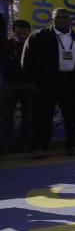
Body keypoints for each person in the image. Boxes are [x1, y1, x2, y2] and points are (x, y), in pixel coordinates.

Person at [22, 8, 75, 157]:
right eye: (58, 17)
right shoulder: (39, 36)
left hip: (71, 83)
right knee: (42, 116)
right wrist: (29, 81)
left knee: (72, 116)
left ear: (70, 20)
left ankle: (72, 145)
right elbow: (27, 60)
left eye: (65, 17)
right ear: (52, 20)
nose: (62, 19)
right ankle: (39, 147)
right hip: (46, 82)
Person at [1, 19, 35, 153]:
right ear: (14, 30)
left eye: (25, 34)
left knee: (28, 117)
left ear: (29, 32)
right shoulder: (6, 44)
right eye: (19, 33)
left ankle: (25, 143)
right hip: (9, 84)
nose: (22, 36)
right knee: (6, 117)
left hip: (28, 84)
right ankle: (5, 144)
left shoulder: (34, 45)